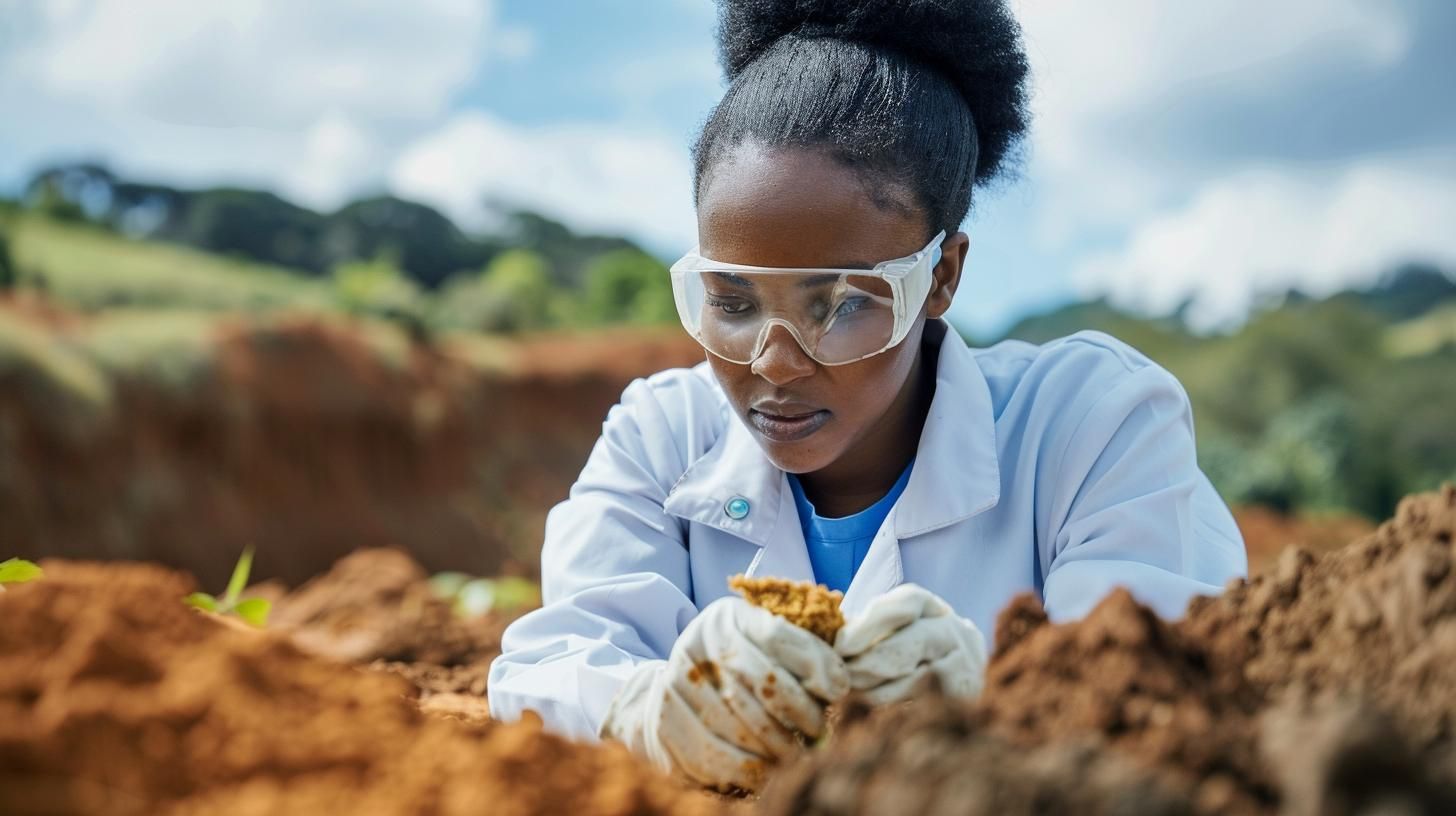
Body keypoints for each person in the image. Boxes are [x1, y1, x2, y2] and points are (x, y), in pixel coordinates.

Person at [488, 0, 1246, 792]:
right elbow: (546, 669)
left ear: (942, 276)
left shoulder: (1091, 423)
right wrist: (645, 710)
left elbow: (1171, 692)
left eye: (843, 304)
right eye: (734, 302)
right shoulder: (662, 434)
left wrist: (999, 698)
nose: (774, 365)